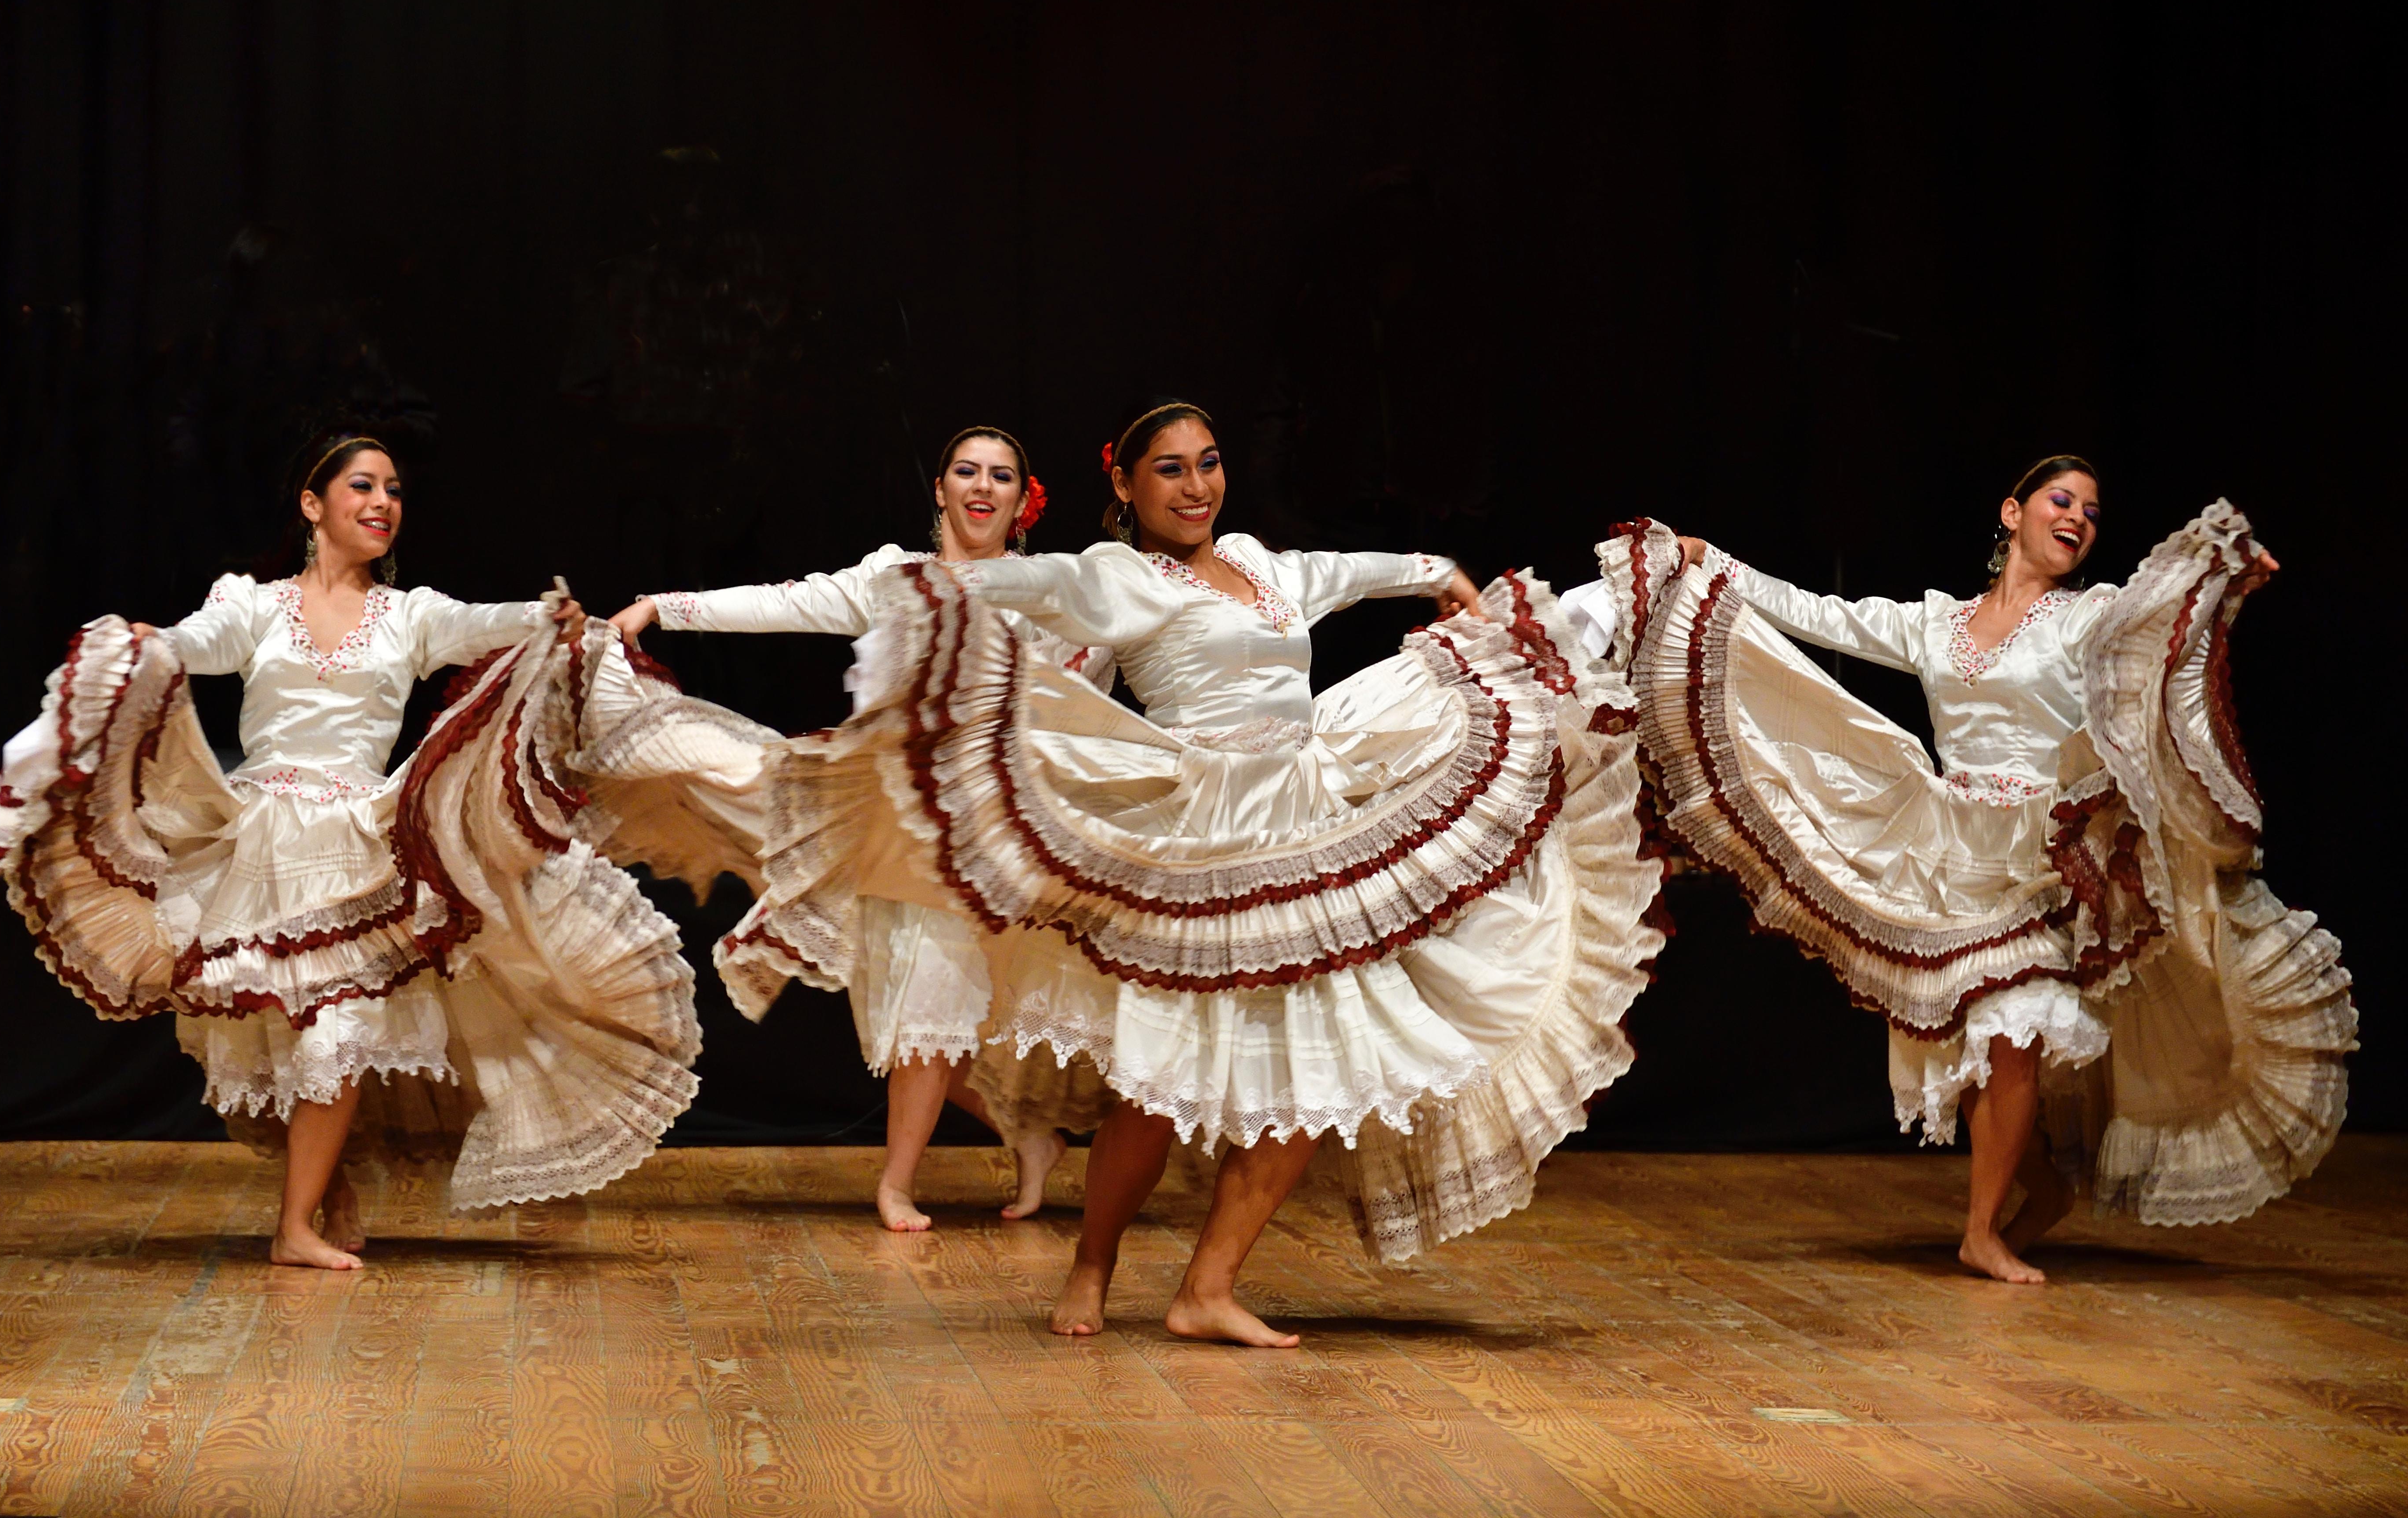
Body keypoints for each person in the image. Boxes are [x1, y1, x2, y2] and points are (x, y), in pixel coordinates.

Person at [744, 401, 1666, 1345]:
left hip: (1307, 825)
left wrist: (1439, 575)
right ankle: (1094, 1262)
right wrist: (935, 596)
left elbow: (1341, 575)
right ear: (1125, 484)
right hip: (1206, 832)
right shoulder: (1122, 578)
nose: (1197, 487)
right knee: (1158, 1085)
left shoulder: (1262, 563)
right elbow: (1038, 585)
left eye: (1209, 464)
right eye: (1172, 471)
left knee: (1316, 1075)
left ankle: (1208, 1287)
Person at [1590, 457, 2353, 1283]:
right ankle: (2038, 1190)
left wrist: (2216, 580)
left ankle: (1981, 1233)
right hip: (1951, 849)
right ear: (2013, 512)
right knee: (1968, 1046)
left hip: (2041, 851)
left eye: (2092, 513)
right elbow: (1823, 615)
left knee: (2016, 1024)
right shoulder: (1936, 623)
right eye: (2061, 501)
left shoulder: (2086, 616)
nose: (2077, 519)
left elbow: (2154, 627)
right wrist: (1715, 564)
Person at [0, 424, 704, 1269]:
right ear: (313, 505)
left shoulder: (408, 617)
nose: (383, 503)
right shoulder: (254, 603)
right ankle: (318, 1193)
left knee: (341, 1029)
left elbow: (483, 627)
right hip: (263, 843)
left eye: (393, 490)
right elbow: (199, 642)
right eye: (362, 486)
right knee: (274, 1035)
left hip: (361, 838)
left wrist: (548, 618)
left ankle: (295, 1228)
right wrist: (152, 645)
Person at [607, 428, 1111, 1231]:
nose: (983, 487)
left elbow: (1082, 694)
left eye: (1002, 477)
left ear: (1022, 500)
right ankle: (1031, 1135)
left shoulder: (1048, 592)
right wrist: (662, 608)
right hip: (888, 823)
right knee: (908, 1016)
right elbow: (785, 601)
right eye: (968, 472)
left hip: (978, 835)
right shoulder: (894, 579)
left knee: (926, 1006)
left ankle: (898, 1184)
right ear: (940, 489)